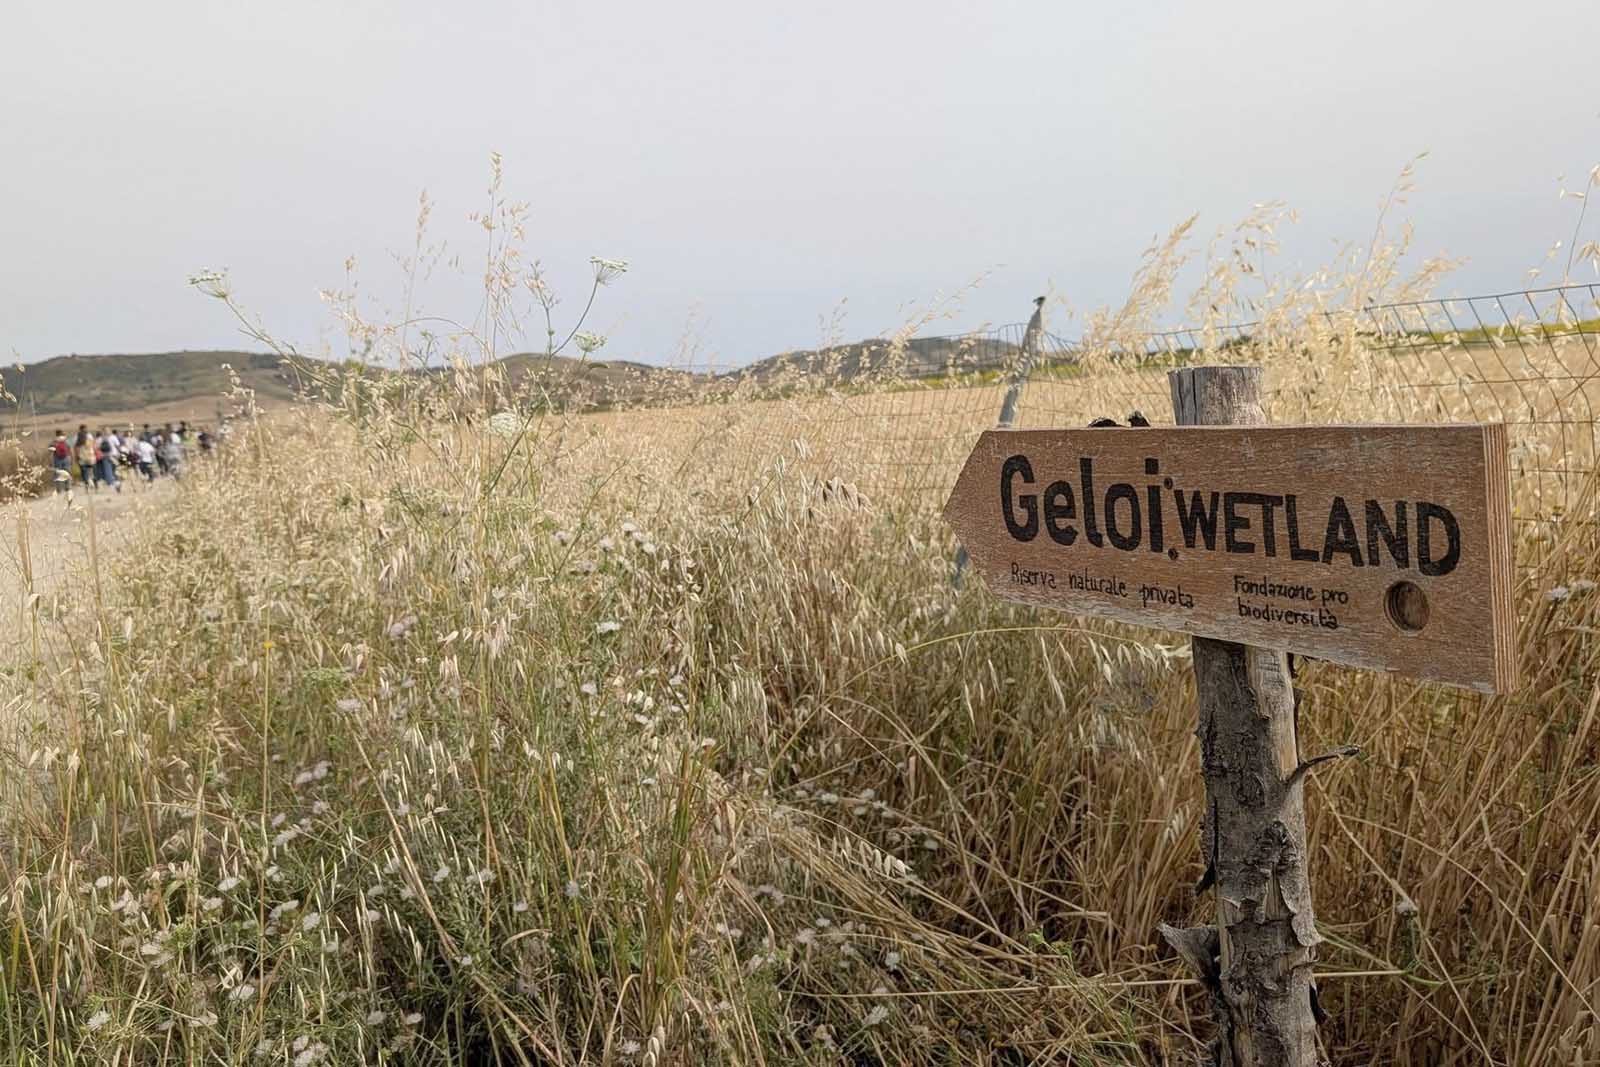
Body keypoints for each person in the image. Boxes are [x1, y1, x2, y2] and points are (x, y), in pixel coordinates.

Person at [96, 428, 121, 493]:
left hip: (106, 456)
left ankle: (112, 484)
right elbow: (118, 446)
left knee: (108, 470)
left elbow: (97, 447)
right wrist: (119, 453)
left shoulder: (101, 438)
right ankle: (117, 482)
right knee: (115, 470)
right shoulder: (113, 437)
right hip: (114, 455)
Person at [47, 430, 71, 494]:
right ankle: (67, 487)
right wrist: (71, 459)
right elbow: (69, 450)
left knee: (57, 474)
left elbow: (50, 452)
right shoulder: (65, 440)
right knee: (67, 472)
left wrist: (50, 461)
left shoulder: (54, 442)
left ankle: (59, 489)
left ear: (56, 434)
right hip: (66, 458)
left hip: (57, 459)